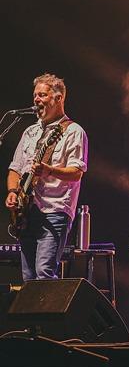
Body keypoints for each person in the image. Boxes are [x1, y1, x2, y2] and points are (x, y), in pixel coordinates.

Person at [5, 73, 88, 281]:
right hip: (27, 212)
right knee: (28, 277)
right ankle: (32, 314)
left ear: (58, 98)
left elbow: (77, 172)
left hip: (54, 211)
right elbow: (15, 168)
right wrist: (13, 192)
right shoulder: (30, 132)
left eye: (42, 95)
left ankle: (52, 314)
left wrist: (49, 170)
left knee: (44, 273)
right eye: (35, 95)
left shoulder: (73, 132)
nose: (36, 100)